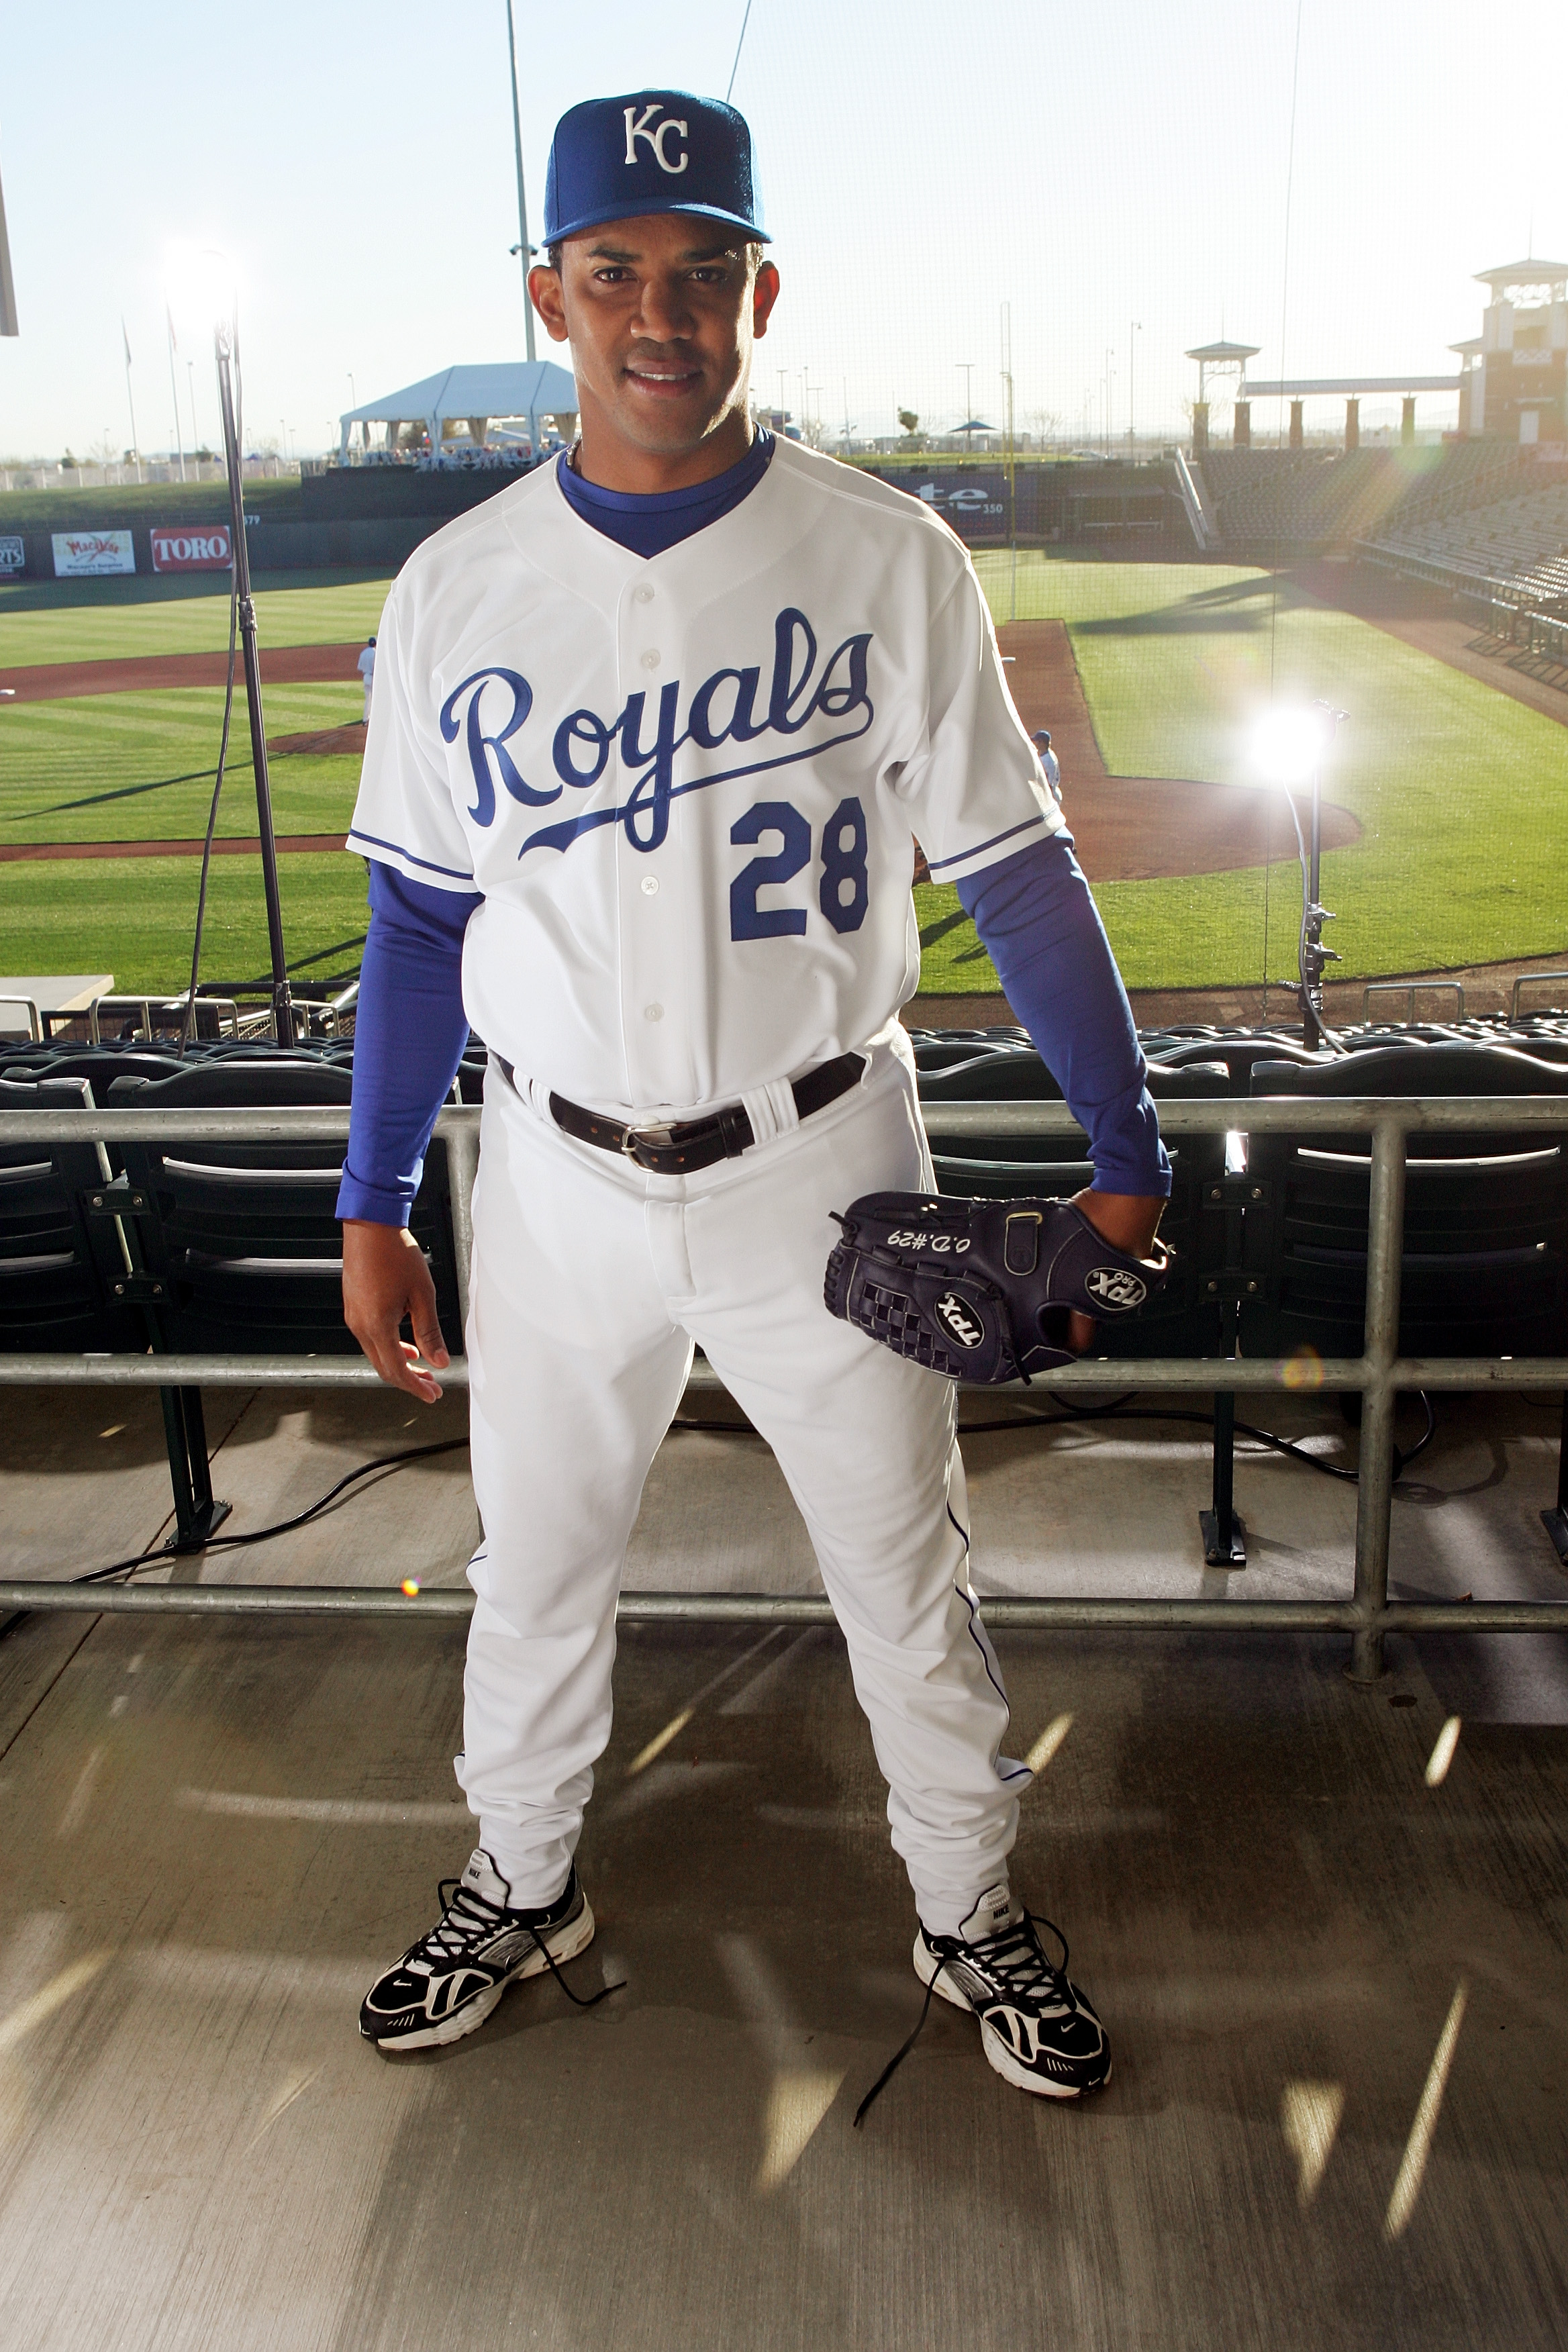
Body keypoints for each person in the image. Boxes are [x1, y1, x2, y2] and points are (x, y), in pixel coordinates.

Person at [338, 89, 1167, 2100]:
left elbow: (1017, 874)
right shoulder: (453, 584)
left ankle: (966, 1907)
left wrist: (1123, 1148)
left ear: (759, 294)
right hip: (547, 1184)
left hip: (821, 1160)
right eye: (614, 270)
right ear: (547, 296)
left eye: (702, 271)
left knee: (901, 1570)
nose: (660, 313)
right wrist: (372, 1197)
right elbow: (420, 926)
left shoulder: (886, 556)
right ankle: (522, 1878)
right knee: (532, 1570)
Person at [1032, 727, 1063, 807]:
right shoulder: (1049, 753)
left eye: (1037, 741)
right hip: (1053, 792)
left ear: (1042, 743)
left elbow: (1048, 785)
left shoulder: (1047, 761)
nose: (1035, 743)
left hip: (1050, 796)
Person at [357, 635, 376, 724]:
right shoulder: (375, 653)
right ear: (375, 644)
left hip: (366, 677)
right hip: (373, 677)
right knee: (375, 698)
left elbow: (360, 667)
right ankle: (374, 719)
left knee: (368, 699)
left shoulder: (363, 653)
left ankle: (365, 719)